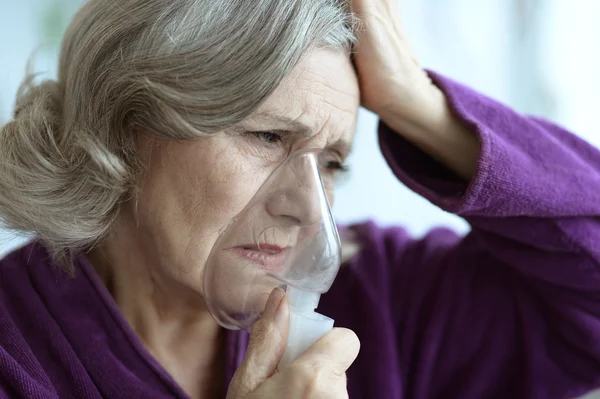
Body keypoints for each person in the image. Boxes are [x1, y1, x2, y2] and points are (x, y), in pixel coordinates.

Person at [0, 0, 598, 398]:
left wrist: (422, 107)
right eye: (267, 137)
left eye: (332, 162)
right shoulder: (17, 352)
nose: (308, 210)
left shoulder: (383, 302)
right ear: (123, 125)